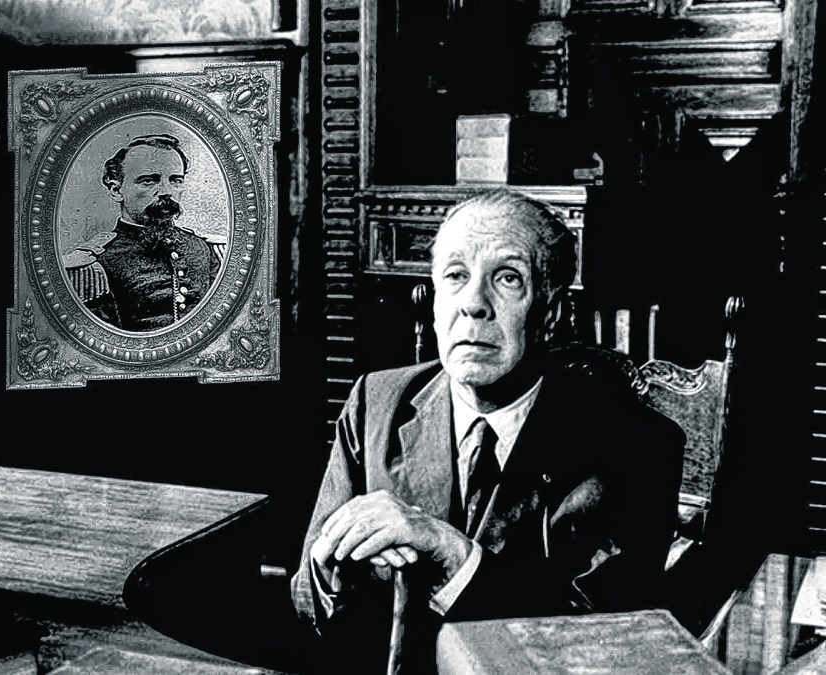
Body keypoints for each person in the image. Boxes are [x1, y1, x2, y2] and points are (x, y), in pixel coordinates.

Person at [291, 189, 685, 673]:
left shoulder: (637, 446)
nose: (474, 304)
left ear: (551, 312)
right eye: (455, 276)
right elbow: (306, 598)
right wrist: (330, 567)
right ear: (435, 303)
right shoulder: (376, 403)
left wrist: (454, 555)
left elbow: (594, 648)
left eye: (507, 278)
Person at [64, 134, 225, 332]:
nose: (166, 191)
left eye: (176, 180)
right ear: (116, 190)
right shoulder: (95, 264)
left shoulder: (203, 248)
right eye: (149, 181)